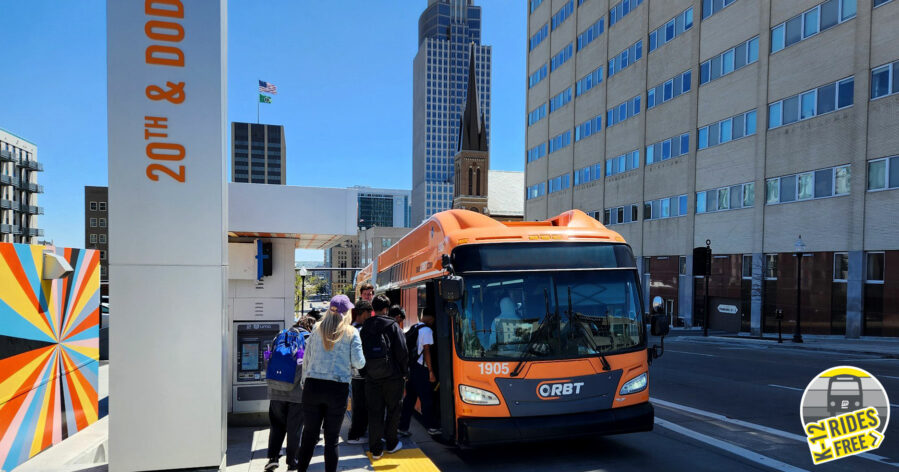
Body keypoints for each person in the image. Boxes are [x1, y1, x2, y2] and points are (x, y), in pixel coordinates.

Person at [295, 295, 365, 472]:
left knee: (309, 435)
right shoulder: (351, 332)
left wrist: (305, 383)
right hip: (337, 389)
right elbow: (359, 363)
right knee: (332, 439)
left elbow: (307, 358)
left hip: (312, 387)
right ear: (346, 312)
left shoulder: (317, 328)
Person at [264, 317, 315, 471]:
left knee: (276, 425)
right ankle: (292, 461)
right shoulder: (308, 338)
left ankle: (273, 458)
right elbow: (310, 365)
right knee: (295, 428)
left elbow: (268, 358)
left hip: (276, 389)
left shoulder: (280, 335)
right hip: (297, 392)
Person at [361, 295, 408, 459]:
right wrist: (404, 373)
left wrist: (365, 372)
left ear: (373, 308)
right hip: (393, 377)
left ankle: (376, 449)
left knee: (375, 412)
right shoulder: (393, 326)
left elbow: (360, 353)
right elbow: (402, 351)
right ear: (386, 308)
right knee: (394, 410)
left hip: (371, 378)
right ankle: (392, 443)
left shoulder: (365, 327)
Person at [398, 309, 439, 437]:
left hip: (412, 368)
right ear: (430, 317)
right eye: (433, 319)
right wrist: (431, 371)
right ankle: (431, 427)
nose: (433, 322)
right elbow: (426, 350)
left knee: (409, 399)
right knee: (426, 398)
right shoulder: (427, 330)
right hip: (421, 369)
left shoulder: (414, 327)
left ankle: (402, 427)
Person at [346, 300, 373, 445]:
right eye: (369, 313)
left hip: (353, 373)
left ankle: (357, 432)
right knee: (361, 405)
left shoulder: (350, 328)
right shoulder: (360, 330)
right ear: (364, 313)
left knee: (358, 404)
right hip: (360, 373)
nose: (370, 316)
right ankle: (355, 434)